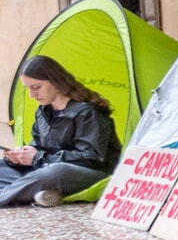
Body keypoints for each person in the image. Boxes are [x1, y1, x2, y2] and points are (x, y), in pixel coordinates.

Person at [0, 55, 121, 208]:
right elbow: (38, 146)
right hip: (47, 170)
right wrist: (21, 156)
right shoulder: (43, 111)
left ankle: (18, 194)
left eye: (36, 87)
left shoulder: (88, 113)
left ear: (56, 82)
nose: (31, 94)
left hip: (91, 174)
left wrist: (37, 158)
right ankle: (42, 194)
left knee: (55, 173)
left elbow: (91, 159)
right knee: (3, 167)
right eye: (28, 88)